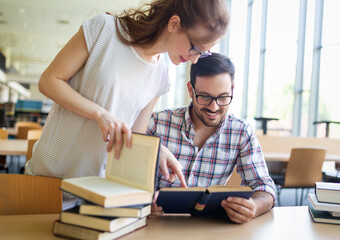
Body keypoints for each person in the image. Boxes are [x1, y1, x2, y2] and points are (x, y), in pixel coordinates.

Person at [25, 0, 230, 208]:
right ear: (174, 24)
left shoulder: (161, 76)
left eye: (203, 53)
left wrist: (159, 151)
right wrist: (99, 114)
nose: (195, 60)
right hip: (46, 180)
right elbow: (49, 81)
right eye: (195, 48)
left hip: (95, 194)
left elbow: (134, 135)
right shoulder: (105, 30)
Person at [147, 53, 276, 223]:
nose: (214, 107)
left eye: (223, 97)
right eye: (205, 97)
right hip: (157, 226)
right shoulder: (157, 123)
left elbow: (265, 187)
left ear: (232, 90)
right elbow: (126, 180)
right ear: (190, 90)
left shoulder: (241, 132)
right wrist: (141, 203)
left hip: (209, 228)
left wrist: (254, 206)